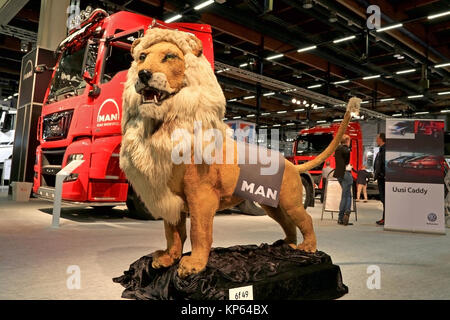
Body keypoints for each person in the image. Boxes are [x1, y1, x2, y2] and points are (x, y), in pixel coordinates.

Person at [334, 134, 353, 226]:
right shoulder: (346, 150)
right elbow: (347, 162)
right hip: (346, 173)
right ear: (347, 141)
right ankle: (346, 213)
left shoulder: (337, 149)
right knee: (347, 196)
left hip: (338, 174)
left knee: (345, 195)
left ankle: (340, 218)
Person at [374, 133, 386, 225]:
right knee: (383, 199)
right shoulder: (381, 150)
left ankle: (385, 219)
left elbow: (383, 164)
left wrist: (382, 174)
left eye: (377, 138)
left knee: (385, 199)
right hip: (380, 177)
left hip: (383, 178)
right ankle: (384, 218)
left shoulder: (384, 150)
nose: (376, 140)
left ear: (381, 139)